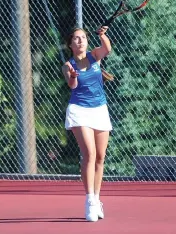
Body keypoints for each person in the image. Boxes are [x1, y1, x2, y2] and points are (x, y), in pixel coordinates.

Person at [62, 26, 112, 222]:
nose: (80, 41)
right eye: (76, 38)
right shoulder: (68, 65)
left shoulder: (94, 56)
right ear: (70, 44)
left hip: (100, 110)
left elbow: (106, 49)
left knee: (100, 157)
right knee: (89, 154)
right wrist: (74, 76)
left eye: (83, 37)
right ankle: (90, 200)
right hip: (79, 111)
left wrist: (102, 36)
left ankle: (97, 198)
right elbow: (71, 85)